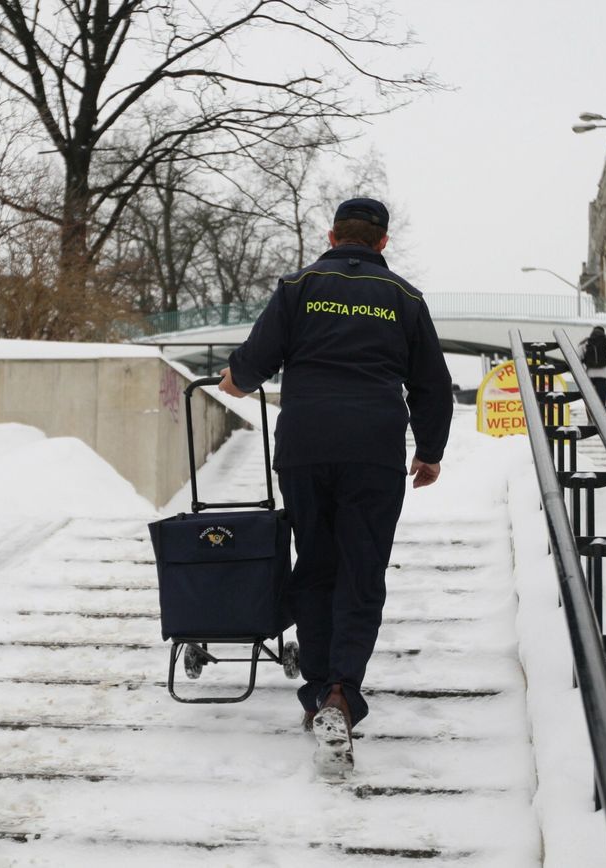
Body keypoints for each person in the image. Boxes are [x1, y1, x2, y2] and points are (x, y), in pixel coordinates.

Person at [217, 197, 453, 778]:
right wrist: (429, 452)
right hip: (372, 448)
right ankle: (341, 692)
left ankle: (319, 686)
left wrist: (235, 378)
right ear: (382, 243)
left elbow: (251, 366)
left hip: (306, 444)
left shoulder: (299, 286)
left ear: (331, 235)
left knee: (315, 564)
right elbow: (432, 385)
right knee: (361, 570)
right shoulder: (405, 297)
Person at [577, 326, 606, 403]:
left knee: (589, 401)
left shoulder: (585, 342)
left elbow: (577, 358)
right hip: (603, 376)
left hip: (589, 375)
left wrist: (584, 370)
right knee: (601, 402)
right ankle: (602, 414)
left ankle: (589, 413)